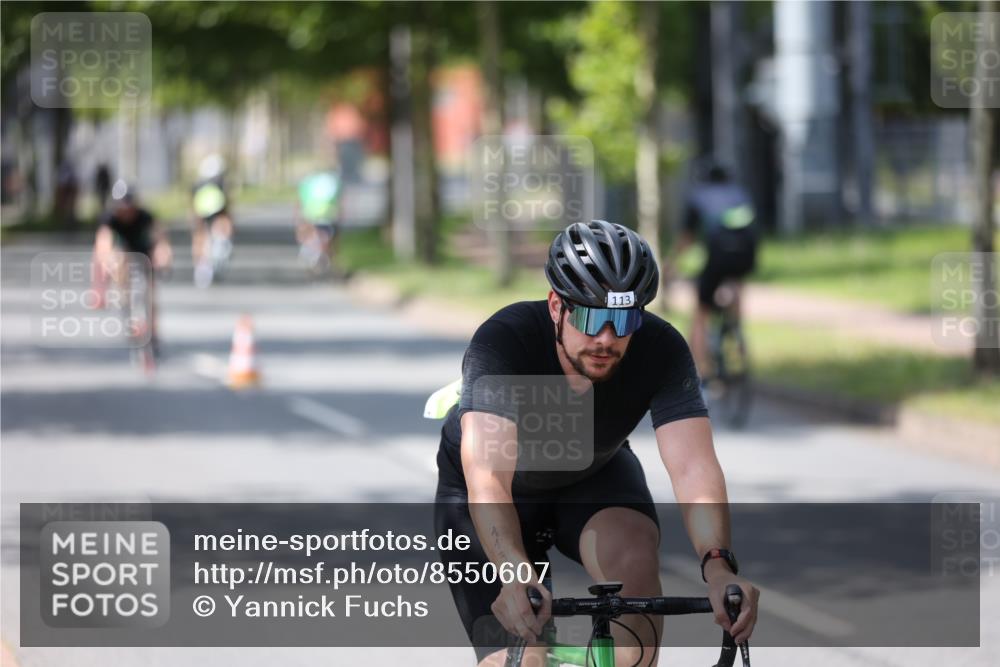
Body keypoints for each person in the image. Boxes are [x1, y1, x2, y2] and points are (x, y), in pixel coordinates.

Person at [434, 220, 759, 666]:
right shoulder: (505, 341)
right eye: (591, 317)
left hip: (592, 475)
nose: (607, 338)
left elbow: (693, 467)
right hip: (489, 497)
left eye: (625, 319)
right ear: (556, 306)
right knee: (522, 655)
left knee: (635, 557)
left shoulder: (660, 348)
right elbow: (488, 477)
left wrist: (719, 567)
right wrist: (514, 572)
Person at [674, 159, 760, 378]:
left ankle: (700, 371)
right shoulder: (740, 194)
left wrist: (670, 264)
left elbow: (687, 238)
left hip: (718, 256)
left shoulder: (698, 196)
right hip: (746, 256)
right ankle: (738, 336)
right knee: (735, 285)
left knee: (702, 312)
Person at [92, 180, 172, 355]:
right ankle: (124, 297)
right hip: (121, 253)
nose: (126, 210)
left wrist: (164, 257)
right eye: (122, 205)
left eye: (129, 205)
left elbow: (161, 240)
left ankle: (154, 334)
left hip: (144, 252)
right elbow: (101, 246)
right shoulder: (110, 219)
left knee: (150, 295)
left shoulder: (145, 217)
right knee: (118, 259)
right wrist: (101, 285)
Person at [190, 153, 234, 287]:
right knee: (201, 236)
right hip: (207, 212)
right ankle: (203, 264)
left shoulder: (200, 184)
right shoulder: (206, 185)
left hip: (210, 212)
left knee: (202, 235)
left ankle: (204, 263)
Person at [294, 168, 342, 278]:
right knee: (327, 241)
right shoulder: (332, 183)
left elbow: (299, 202)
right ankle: (327, 261)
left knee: (315, 240)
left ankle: (319, 260)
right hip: (327, 217)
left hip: (311, 216)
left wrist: (298, 221)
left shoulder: (307, 184)